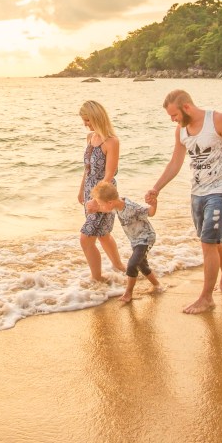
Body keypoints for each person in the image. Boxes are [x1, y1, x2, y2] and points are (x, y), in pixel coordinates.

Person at [145, 89, 222, 314]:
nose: (172, 120)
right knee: (209, 238)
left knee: (208, 242)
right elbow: (175, 163)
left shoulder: (218, 120)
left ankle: (206, 298)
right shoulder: (180, 131)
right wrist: (157, 188)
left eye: (174, 115)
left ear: (187, 108)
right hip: (197, 192)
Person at [87, 180, 162, 303]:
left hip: (145, 238)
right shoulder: (116, 205)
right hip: (135, 240)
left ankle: (128, 293)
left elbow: (150, 212)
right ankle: (157, 285)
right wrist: (96, 209)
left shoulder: (131, 208)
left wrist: (154, 204)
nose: (101, 206)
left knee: (132, 265)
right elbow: (107, 209)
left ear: (110, 202)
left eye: (101, 204)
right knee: (142, 265)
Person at [78, 100, 126, 281]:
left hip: (104, 195)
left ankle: (97, 279)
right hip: (89, 192)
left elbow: (109, 175)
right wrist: (81, 190)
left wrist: (96, 200)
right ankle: (120, 266)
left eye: (87, 120)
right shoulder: (90, 138)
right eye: (83, 120)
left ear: (97, 117)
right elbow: (87, 168)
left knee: (86, 239)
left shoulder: (111, 141)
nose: (85, 124)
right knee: (103, 234)